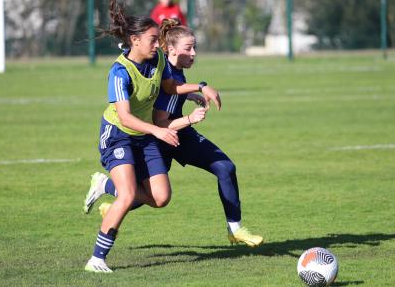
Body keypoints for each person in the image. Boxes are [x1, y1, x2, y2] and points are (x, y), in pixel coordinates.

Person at [84, 19, 263, 250]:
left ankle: (235, 229)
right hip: (159, 135)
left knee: (224, 168)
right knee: (150, 194)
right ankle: (109, 192)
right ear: (171, 49)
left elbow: (171, 87)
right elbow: (161, 121)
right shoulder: (147, 66)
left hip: (174, 133)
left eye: (194, 47)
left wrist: (196, 89)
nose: (194, 53)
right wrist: (190, 116)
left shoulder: (167, 67)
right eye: (189, 48)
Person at [84, 0, 221, 274]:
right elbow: (124, 116)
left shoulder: (157, 57)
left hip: (144, 135)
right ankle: (97, 258)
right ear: (135, 41)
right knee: (129, 194)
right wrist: (158, 131)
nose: (158, 43)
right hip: (118, 135)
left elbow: (170, 87)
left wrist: (199, 88)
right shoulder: (119, 73)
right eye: (152, 38)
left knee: (160, 198)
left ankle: (104, 186)